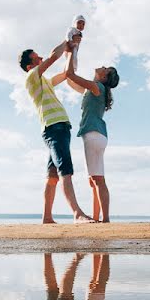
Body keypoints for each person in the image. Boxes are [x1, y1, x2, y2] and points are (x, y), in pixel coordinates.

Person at [19, 41, 94, 224]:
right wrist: (67, 40)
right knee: (65, 170)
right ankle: (77, 213)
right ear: (30, 66)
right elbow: (53, 56)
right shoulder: (31, 77)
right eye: (37, 58)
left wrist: (71, 52)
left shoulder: (45, 81)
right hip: (55, 127)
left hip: (59, 127)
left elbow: (66, 75)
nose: (41, 58)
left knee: (52, 177)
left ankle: (47, 217)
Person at [64, 51, 119, 222]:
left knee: (98, 180)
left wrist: (72, 50)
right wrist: (70, 56)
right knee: (95, 180)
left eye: (105, 68)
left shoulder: (97, 87)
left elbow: (69, 74)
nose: (102, 66)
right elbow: (69, 80)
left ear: (103, 77)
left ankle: (106, 219)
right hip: (98, 136)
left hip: (94, 135)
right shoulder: (93, 89)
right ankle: (98, 217)